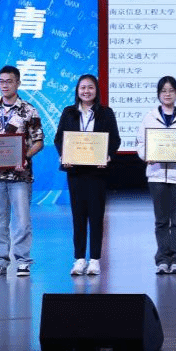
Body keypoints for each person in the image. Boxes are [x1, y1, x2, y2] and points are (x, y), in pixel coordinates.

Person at [0, 65, 44, 277]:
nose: (4, 85)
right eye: (1, 81)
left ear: (18, 83)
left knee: (22, 221)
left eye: (9, 81)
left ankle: (23, 260)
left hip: (20, 175)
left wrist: (25, 157)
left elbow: (39, 141)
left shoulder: (29, 110)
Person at [54, 74, 121, 276]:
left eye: (90, 87)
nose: (86, 91)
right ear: (77, 90)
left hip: (97, 172)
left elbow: (115, 139)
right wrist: (64, 155)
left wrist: (107, 155)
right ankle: (79, 259)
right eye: (82, 87)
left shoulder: (106, 113)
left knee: (97, 216)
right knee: (78, 216)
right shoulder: (69, 112)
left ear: (96, 90)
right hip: (75, 171)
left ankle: (95, 260)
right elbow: (59, 139)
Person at [137, 75, 176, 274]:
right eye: (163, 91)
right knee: (161, 221)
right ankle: (163, 260)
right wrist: (147, 156)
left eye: (171, 90)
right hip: (156, 175)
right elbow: (141, 143)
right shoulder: (149, 117)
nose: (167, 94)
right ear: (158, 94)